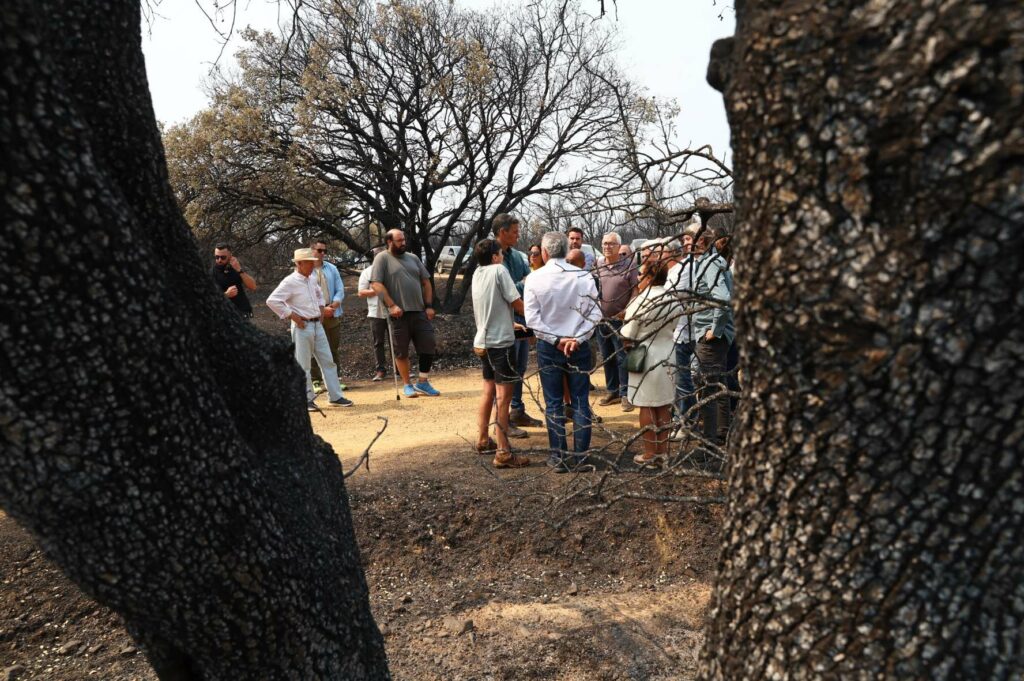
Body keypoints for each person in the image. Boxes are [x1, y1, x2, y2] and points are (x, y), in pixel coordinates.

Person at [524, 231, 602, 473]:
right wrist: (576, 338)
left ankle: (558, 456)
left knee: (554, 402)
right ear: (567, 250)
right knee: (580, 400)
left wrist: (556, 339)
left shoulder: (534, 279)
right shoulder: (583, 276)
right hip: (577, 345)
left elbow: (532, 319)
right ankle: (580, 456)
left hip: (551, 346)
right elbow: (596, 314)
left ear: (545, 252)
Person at [266, 248, 353, 409]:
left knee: (328, 361)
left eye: (313, 262)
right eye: (309, 262)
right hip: (302, 326)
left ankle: (335, 396)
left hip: (316, 325)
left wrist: (320, 312)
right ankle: (306, 398)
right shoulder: (289, 281)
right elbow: (272, 301)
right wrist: (292, 316)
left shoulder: (312, 278)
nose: (313, 265)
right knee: (303, 364)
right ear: (299, 264)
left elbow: (319, 294)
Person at [471, 239, 530, 468]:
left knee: (488, 391)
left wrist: (509, 323)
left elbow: (490, 304)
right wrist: (538, 321)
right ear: (495, 256)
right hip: (500, 344)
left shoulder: (478, 272)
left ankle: (483, 438)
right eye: (500, 254)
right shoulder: (499, 270)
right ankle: (503, 452)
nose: (502, 257)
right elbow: (517, 303)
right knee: (504, 399)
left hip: (483, 341)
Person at [621, 260, 682, 465]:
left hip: (644, 354)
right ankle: (663, 453)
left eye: (640, 274)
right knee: (663, 404)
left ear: (649, 277)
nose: (637, 278)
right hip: (667, 353)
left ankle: (649, 453)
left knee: (646, 404)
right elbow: (674, 325)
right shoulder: (672, 298)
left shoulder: (640, 301)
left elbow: (628, 332)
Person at [369, 229, 441, 398]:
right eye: (399, 240)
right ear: (389, 242)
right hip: (398, 315)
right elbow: (376, 284)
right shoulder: (383, 258)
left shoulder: (413, 258)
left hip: (419, 311)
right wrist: (392, 305)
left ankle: (423, 382)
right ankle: (407, 384)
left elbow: (426, 282)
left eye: (404, 239)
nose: (403, 243)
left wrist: (429, 305)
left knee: (428, 346)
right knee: (401, 351)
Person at [492, 213, 542, 431]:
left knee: (519, 367)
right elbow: (505, 290)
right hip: (504, 322)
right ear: (502, 232)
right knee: (505, 371)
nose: (518, 235)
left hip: (521, 318)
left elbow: (526, 281)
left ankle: (517, 410)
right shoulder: (490, 254)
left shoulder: (516, 255)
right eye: (514, 231)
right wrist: (518, 286)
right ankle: (502, 420)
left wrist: (517, 286)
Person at [691, 228, 735, 447]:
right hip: (715, 335)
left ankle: (707, 442)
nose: (688, 244)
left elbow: (724, 299)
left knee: (707, 387)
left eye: (692, 239)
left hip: (711, 339)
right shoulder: (712, 262)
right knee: (719, 384)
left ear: (704, 241)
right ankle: (720, 432)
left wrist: (714, 330)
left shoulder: (710, 265)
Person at [594, 232, 638, 411]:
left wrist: (626, 311)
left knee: (622, 357)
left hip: (620, 321)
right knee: (607, 357)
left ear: (619, 247)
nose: (607, 247)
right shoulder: (597, 264)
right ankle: (612, 390)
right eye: (604, 243)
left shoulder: (629, 265)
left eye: (611, 244)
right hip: (602, 320)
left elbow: (635, 291)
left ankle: (625, 394)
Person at [666, 223, 702, 430]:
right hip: (683, 329)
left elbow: (670, 295)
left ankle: (686, 421)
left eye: (691, 239)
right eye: (685, 240)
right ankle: (683, 417)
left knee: (684, 379)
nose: (687, 243)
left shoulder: (687, 268)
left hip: (689, 331)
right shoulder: (686, 265)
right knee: (683, 377)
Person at [310, 239, 345, 385]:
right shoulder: (305, 269)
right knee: (313, 347)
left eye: (325, 251)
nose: (323, 253)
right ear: (312, 250)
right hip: (313, 314)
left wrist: (334, 305)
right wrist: (322, 310)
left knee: (333, 348)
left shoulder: (331, 268)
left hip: (332, 312)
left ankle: (335, 380)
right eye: (319, 250)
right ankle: (316, 380)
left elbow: (340, 289)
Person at [357, 248, 388, 381]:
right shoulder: (367, 272)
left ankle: (400, 370)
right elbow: (361, 292)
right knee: (378, 342)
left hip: (393, 310)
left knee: (398, 342)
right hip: (375, 312)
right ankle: (380, 370)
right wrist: (377, 291)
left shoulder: (391, 271)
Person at [211, 243, 257, 318]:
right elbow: (209, 298)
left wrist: (239, 270)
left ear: (230, 255)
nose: (219, 260)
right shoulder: (211, 272)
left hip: (242, 313)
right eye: (217, 257)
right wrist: (226, 294)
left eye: (223, 257)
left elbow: (253, 287)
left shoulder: (237, 267)